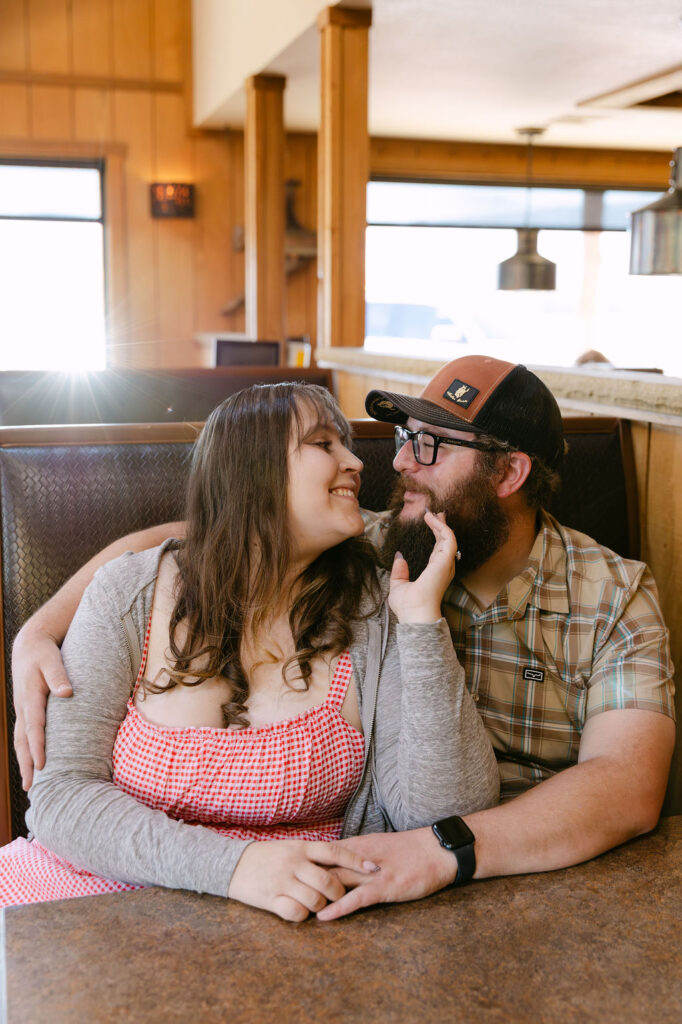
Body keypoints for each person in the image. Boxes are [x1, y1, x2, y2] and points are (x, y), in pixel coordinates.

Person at [11, 356, 675, 921]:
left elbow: (626, 784)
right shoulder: (381, 543)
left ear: (508, 475)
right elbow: (206, 536)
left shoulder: (608, 593)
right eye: (405, 436)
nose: (398, 462)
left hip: (510, 878)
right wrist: (37, 629)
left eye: (432, 445)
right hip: (353, 876)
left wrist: (444, 846)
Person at [1, 381, 498, 921]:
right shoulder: (129, 592)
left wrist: (424, 624)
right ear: (251, 468)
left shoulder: (379, 607)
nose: (356, 461)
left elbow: (447, 814)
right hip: (88, 895)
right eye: (324, 443)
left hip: (297, 924)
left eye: (347, 444)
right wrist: (235, 867)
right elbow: (61, 797)